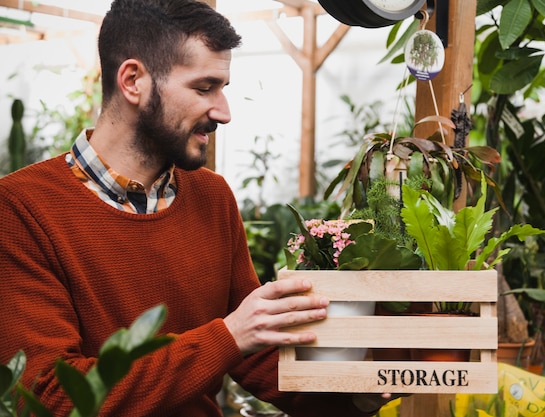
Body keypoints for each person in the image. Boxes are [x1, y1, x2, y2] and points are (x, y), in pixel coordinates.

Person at [0, 0, 398, 416]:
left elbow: (257, 354)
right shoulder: (20, 209)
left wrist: (358, 389)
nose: (223, 112)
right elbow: (48, 398)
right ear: (133, 81)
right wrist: (228, 337)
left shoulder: (212, 196)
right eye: (204, 88)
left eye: (222, 88)